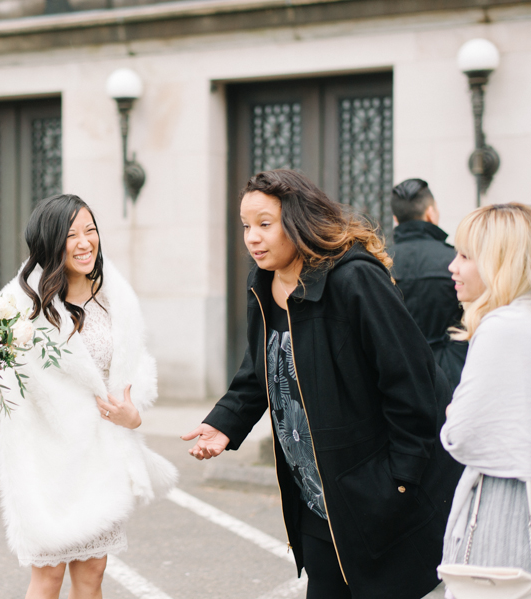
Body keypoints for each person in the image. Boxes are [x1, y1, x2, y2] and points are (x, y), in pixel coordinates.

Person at [182, 170, 461, 599]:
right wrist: (224, 424)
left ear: (297, 219)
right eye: (245, 226)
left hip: (375, 495)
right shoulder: (265, 286)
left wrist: (398, 482)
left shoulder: (354, 279)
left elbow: (412, 384)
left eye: (264, 223)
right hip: (316, 499)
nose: (252, 238)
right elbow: (258, 374)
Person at [0, 194, 177, 599]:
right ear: (51, 243)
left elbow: (136, 372)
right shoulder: (18, 309)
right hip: (46, 461)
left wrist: (133, 416)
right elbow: (4, 396)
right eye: (72, 234)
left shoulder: (115, 299)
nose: (85, 242)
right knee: (48, 577)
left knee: (93, 574)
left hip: (99, 456)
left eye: (90, 230)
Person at [438, 204, 531, 582]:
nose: (452, 267)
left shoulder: (501, 328)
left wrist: (451, 418)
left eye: (465, 256)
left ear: (498, 262)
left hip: (504, 511)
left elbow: (461, 435)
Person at [389, 179, 468, 390]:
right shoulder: (456, 261)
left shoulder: (379, 263)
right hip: (451, 370)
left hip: (397, 373)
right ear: (431, 213)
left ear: (396, 219)